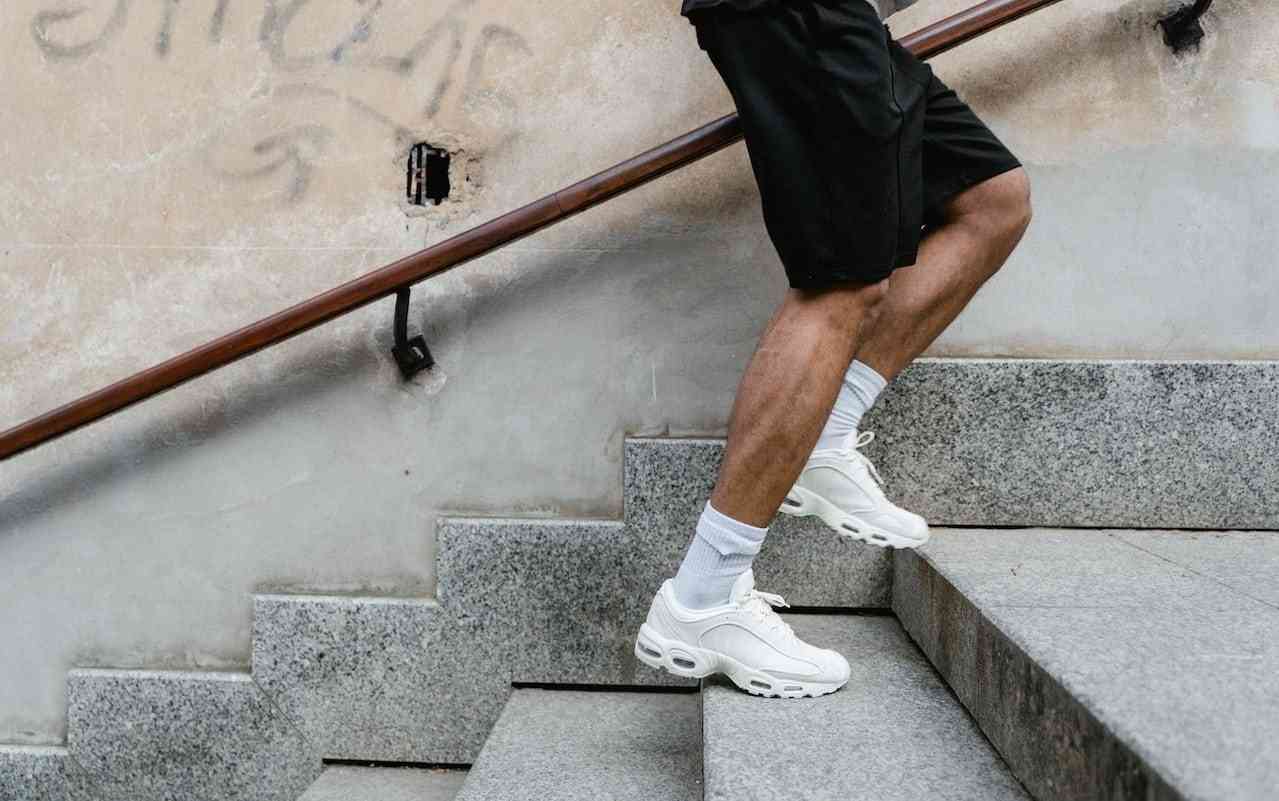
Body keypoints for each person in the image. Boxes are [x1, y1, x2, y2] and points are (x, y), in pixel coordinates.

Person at [634, 0, 1032, 698]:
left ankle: (824, 434)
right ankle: (703, 597)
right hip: (799, 12)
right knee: (840, 285)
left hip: (840, 17)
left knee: (991, 198)